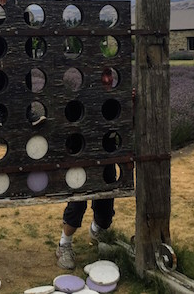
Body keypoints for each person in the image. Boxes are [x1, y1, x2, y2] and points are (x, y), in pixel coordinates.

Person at [55, 67, 119, 270]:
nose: (108, 79)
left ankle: (97, 230)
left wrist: (129, 103)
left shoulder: (115, 99)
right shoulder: (76, 101)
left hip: (105, 157)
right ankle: (64, 244)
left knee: (106, 209)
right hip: (81, 158)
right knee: (77, 204)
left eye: (110, 74)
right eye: (103, 75)